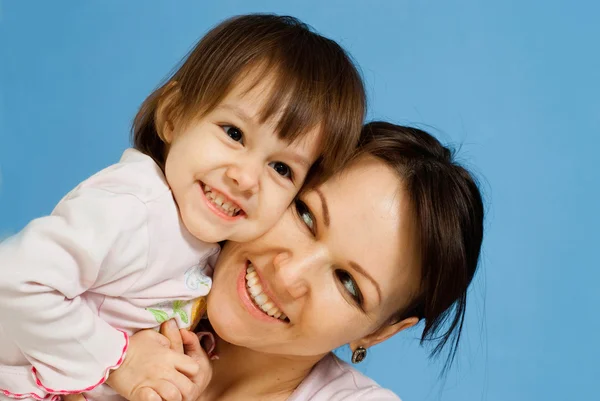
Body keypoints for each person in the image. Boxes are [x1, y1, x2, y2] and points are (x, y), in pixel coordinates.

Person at [0, 14, 365, 401]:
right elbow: (15, 279)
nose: (245, 178)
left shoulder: (209, 246)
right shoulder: (134, 208)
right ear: (173, 116)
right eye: (234, 133)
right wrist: (119, 361)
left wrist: (183, 364)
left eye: (281, 168)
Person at [122, 121, 485, 401]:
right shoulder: (126, 266)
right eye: (306, 215)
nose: (287, 273)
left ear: (377, 333)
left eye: (348, 283)